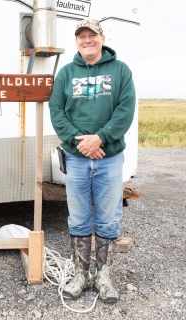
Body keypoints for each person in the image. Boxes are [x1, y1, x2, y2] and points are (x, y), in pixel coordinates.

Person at [48, 19, 136, 303]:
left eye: (92, 35)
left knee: (109, 220)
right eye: (82, 36)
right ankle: (80, 275)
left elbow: (125, 110)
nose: (87, 40)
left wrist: (100, 138)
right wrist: (82, 142)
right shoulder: (66, 73)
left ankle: (104, 277)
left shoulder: (120, 70)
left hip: (109, 159)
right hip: (76, 159)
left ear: (102, 38)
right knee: (78, 218)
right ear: (76, 42)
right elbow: (57, 110)